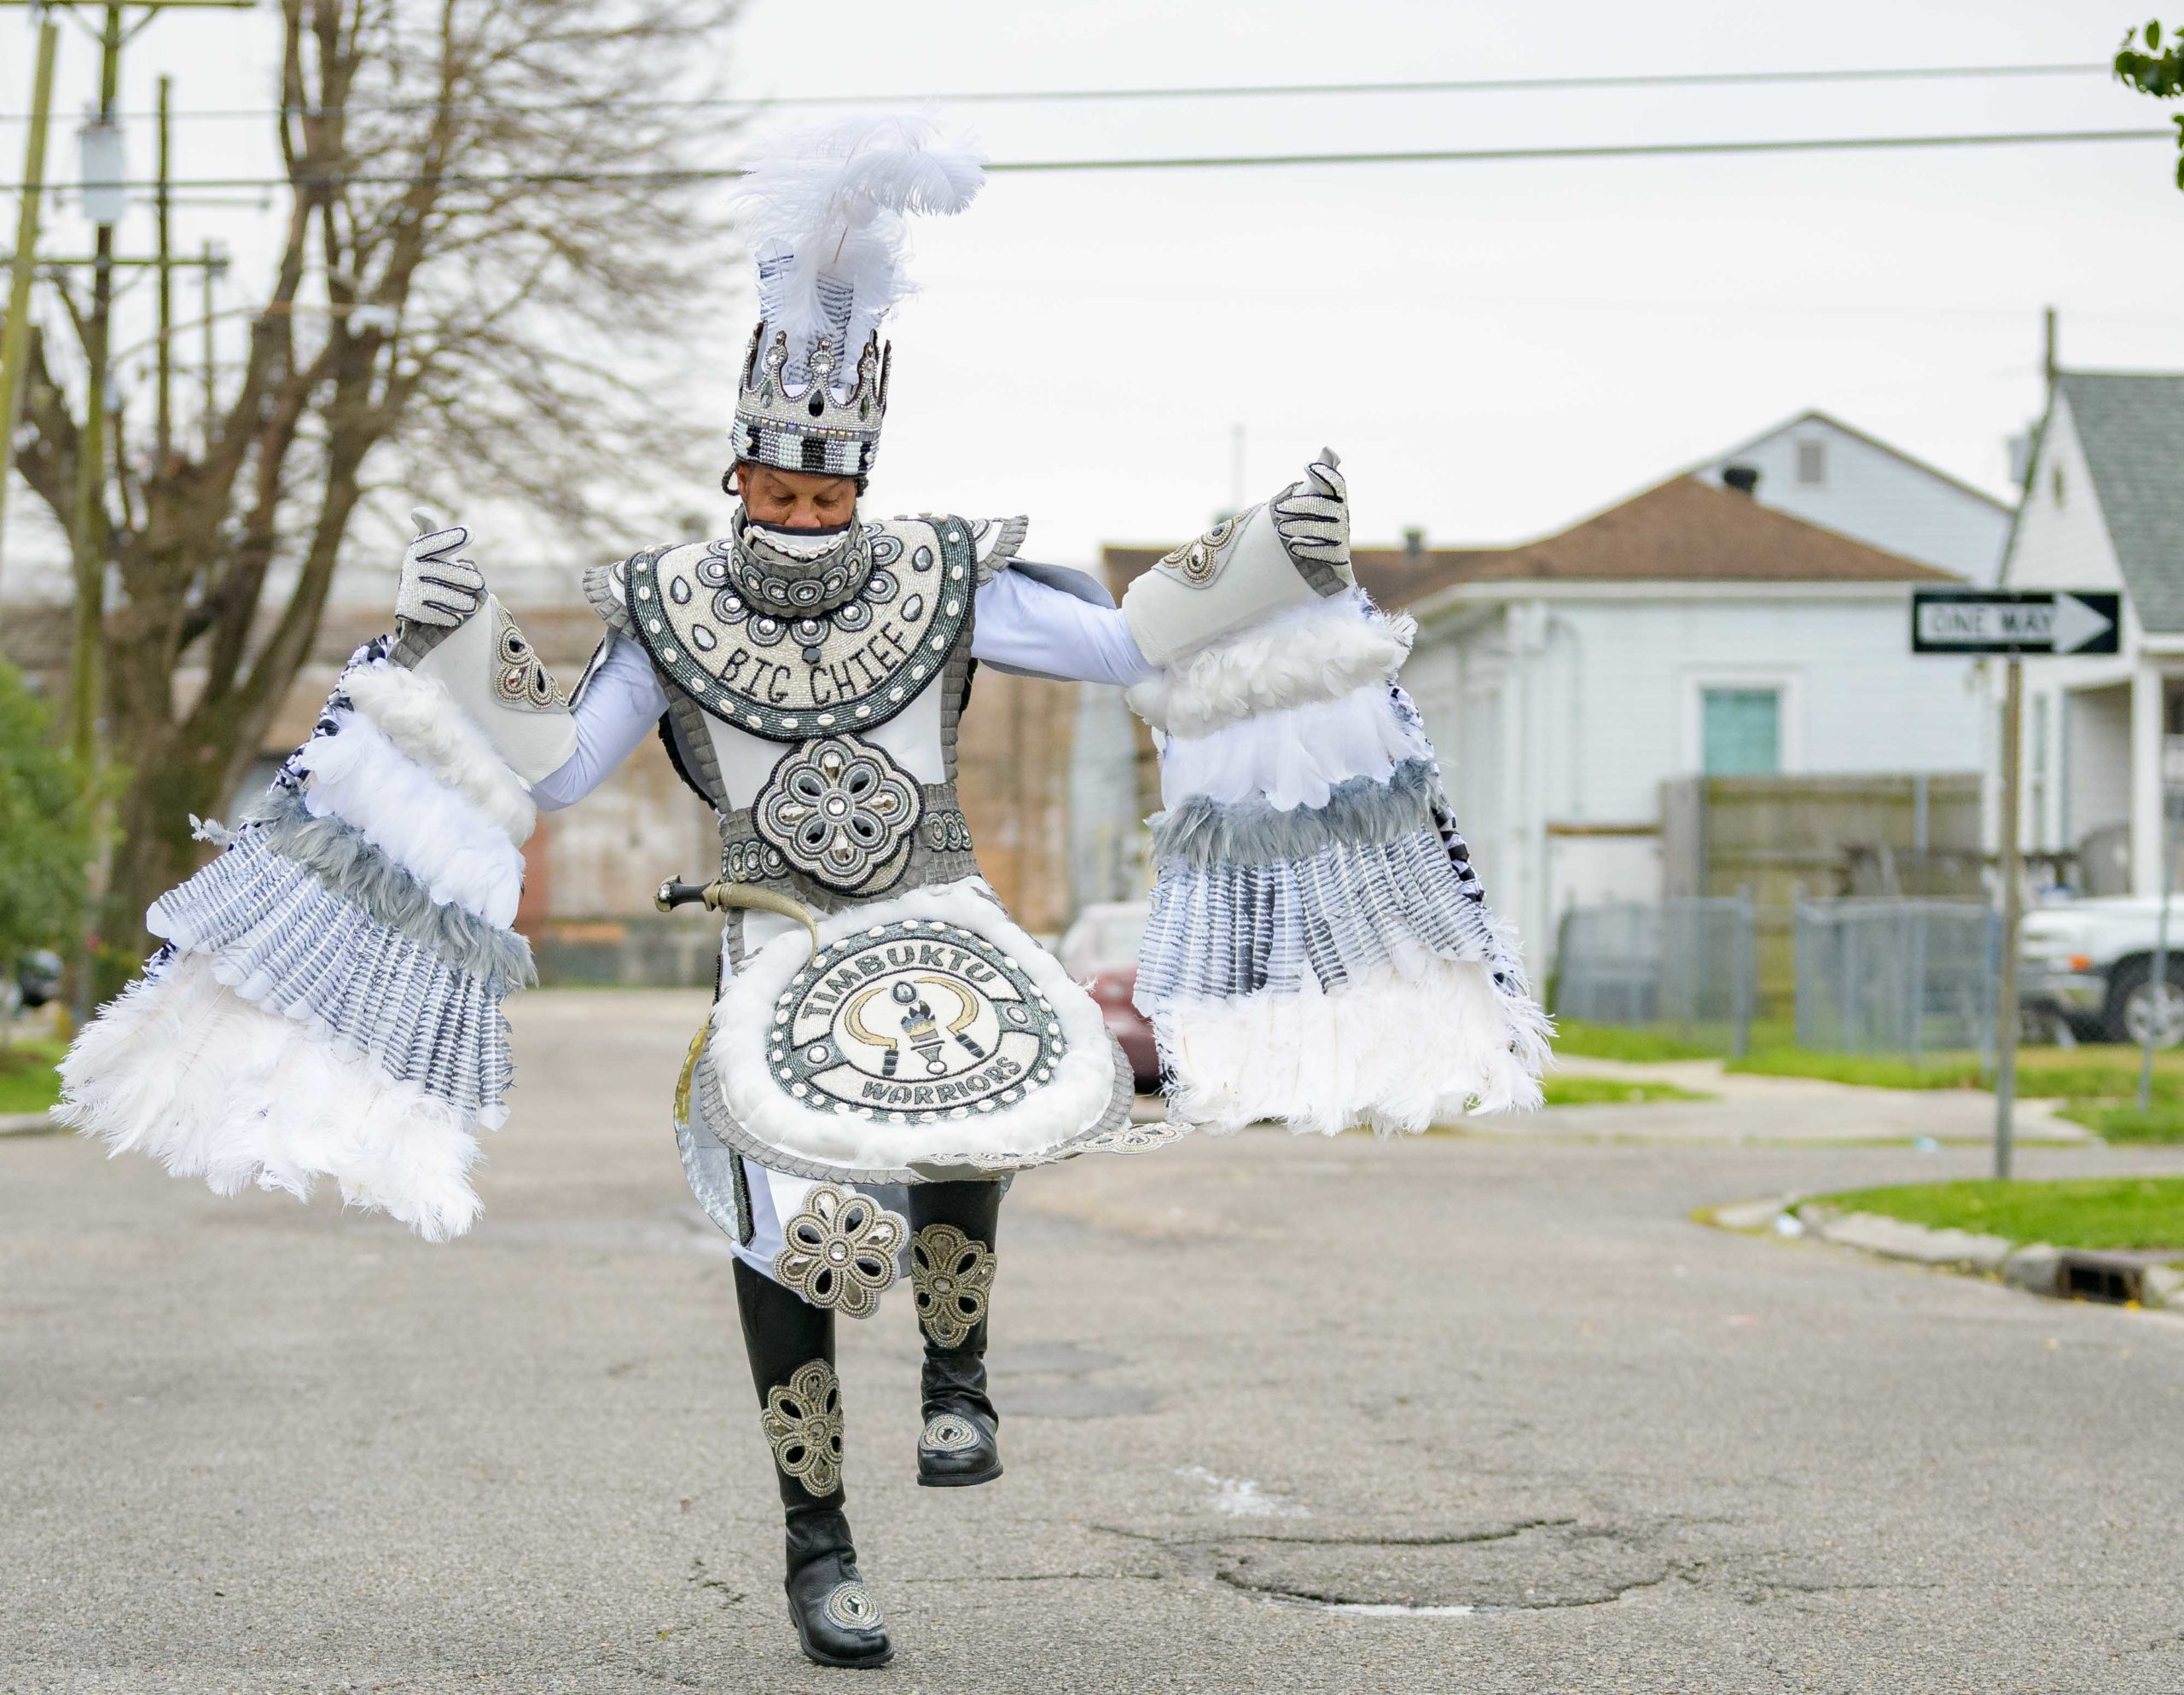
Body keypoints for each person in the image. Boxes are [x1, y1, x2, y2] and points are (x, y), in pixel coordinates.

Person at [60, 117, 1548, 1671]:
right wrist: (461, 642)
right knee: (810, 1240)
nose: (803, 512)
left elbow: (1121, 649)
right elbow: (563, 772)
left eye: (829, 491)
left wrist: (1264, 556)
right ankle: (819, 1544)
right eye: (780, 483)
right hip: (773, 943)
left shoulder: (940, 576)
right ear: (740, 462)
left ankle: (960, 1375)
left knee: (987, 1088)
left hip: (941, 910)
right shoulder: (669, 603)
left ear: (862, 477)